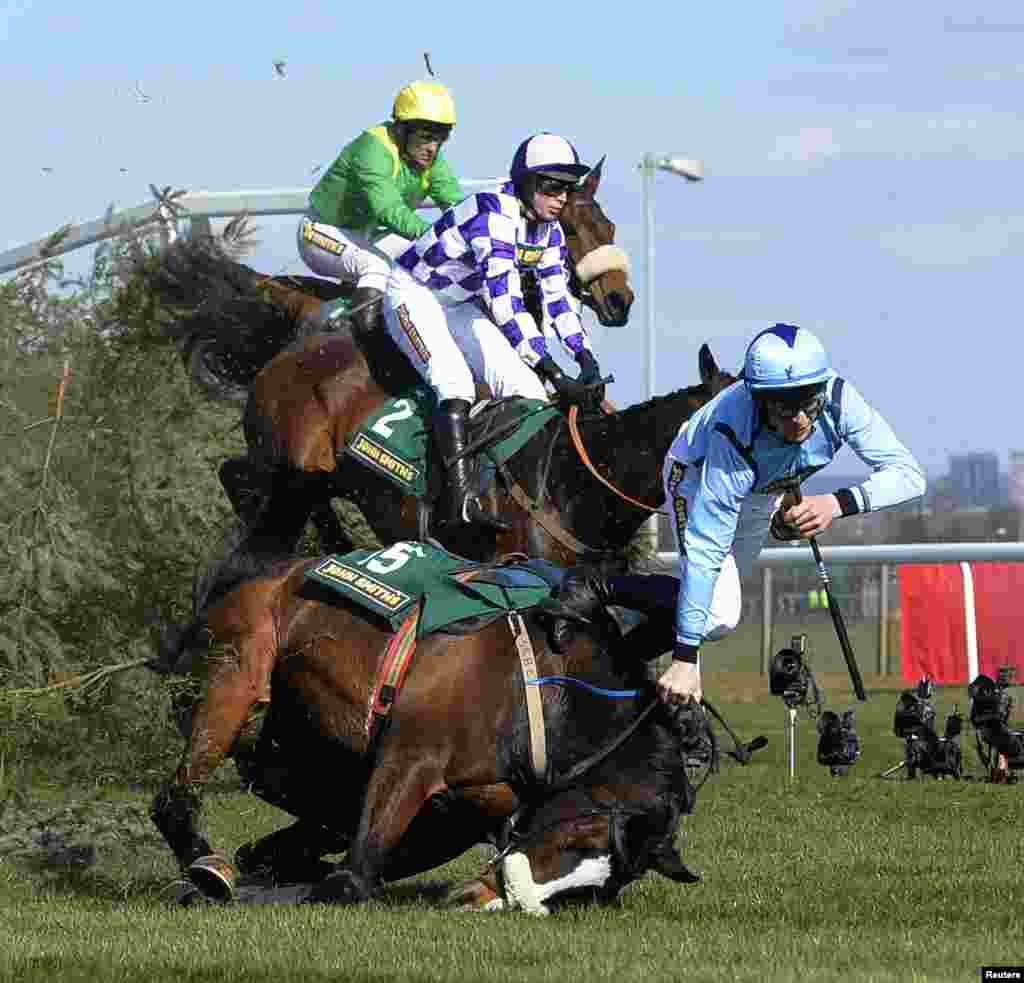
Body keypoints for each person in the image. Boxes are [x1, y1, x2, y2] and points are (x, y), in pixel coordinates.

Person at [561, 323, 926, 705]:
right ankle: (598, 587)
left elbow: (908, 475)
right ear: (759, 400)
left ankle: (617, 666)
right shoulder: (732, 433)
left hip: (761, 489)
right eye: (783, 406)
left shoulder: (840, 400)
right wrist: (686, 659)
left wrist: (834, 504)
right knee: (717, 614)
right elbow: (706, 551)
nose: (800, 419)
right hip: (698, 475)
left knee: (708, 609)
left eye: (808, 402)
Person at [382, 132, 606, 531]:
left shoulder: (550, 231)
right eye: (551, 187)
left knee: (529, 391)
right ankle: (459, 503)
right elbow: (506, 303)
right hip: (413, 293)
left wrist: (585, 357)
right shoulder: (493, 213)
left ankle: (509, 490)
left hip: (457, 304)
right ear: (526, 183)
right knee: (454, 382)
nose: (561, 198)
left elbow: (558, 301)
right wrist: (555, 372)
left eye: (567, 189)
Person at [296, 80, 464, 340]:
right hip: (320, 232)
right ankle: (353, 340)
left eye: (440, 139)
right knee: (376, 267)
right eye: (426, 137)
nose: (433, 148)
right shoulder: (372, 149)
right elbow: (389, 210)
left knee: (428, 262)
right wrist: (438, 237)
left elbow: (457, 207)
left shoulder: (432, 160)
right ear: (402, 129)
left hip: (368, 235)